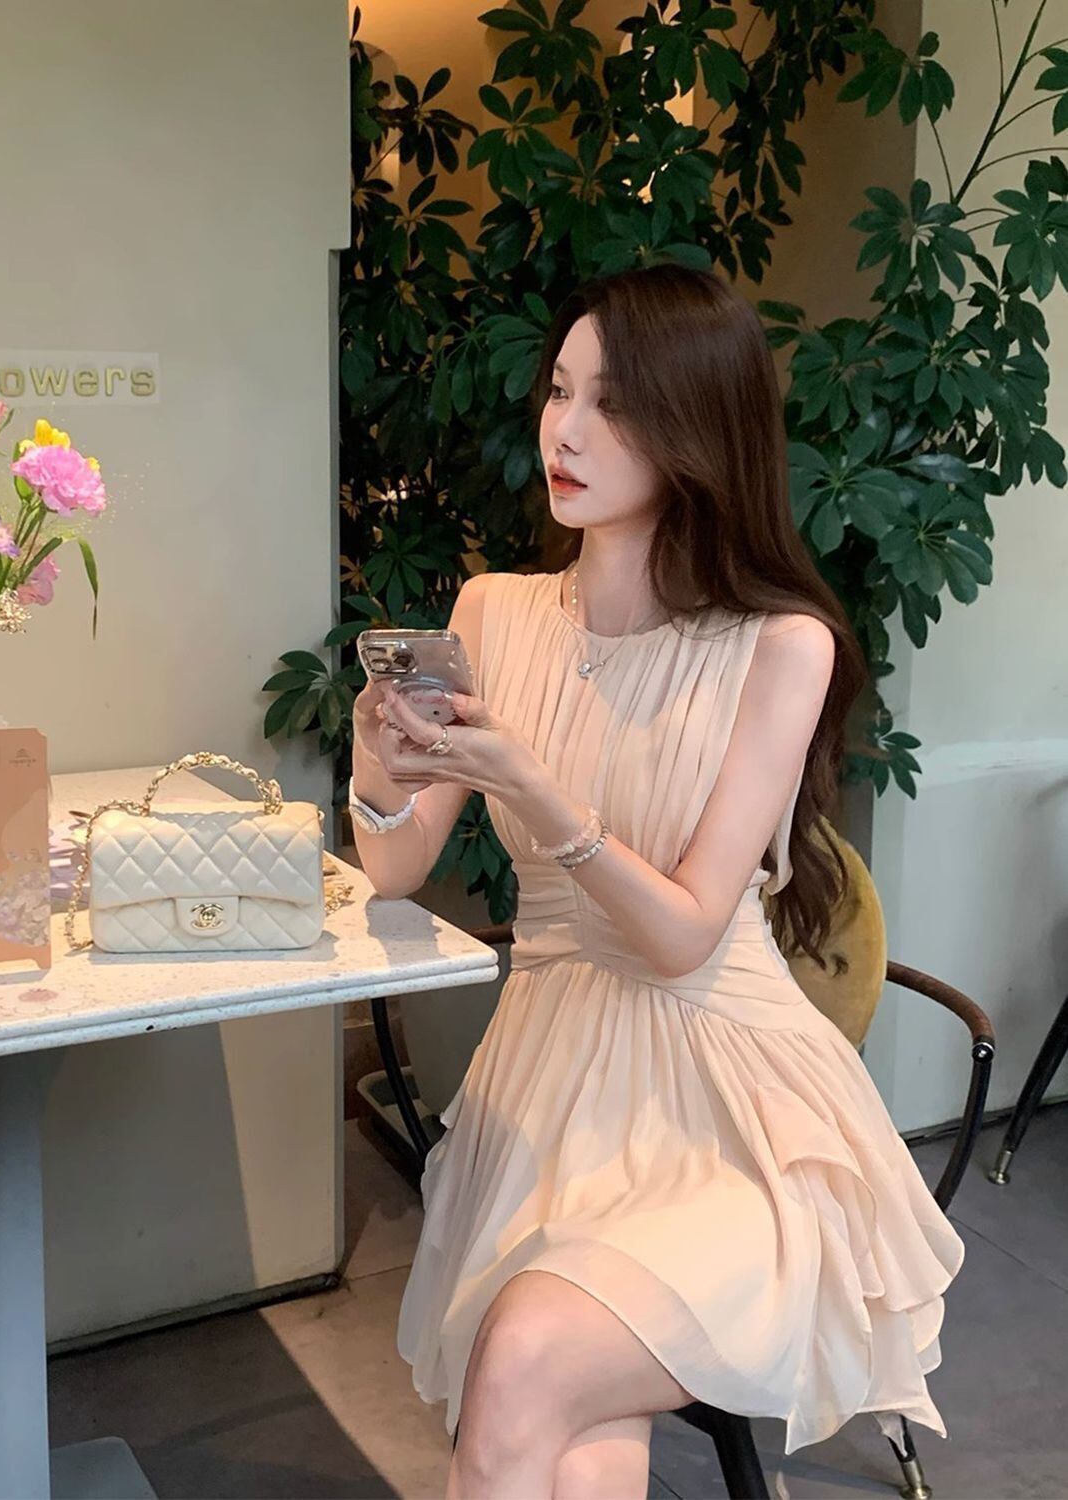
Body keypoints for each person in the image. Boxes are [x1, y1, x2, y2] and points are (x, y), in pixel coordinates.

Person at [348, 262, 966, 1500]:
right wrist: (376, 763)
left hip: (723, 1101)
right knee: (574, 1437)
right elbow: (398, 865)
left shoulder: (780, 645)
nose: (566, 431)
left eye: (614, 405)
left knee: (525, 1364)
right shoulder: (495, 610)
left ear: (697, 428)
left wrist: (536, 789)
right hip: (549, 1082)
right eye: (559, 391)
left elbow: (684, 936)